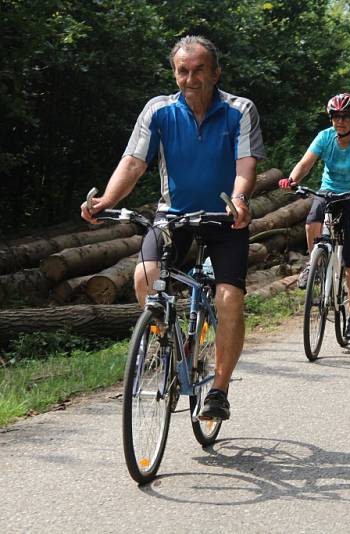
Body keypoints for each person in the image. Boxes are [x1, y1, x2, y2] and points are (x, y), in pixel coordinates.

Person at [80, 36, 265, 421]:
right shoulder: (159, 110)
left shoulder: (239, 109)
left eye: (199, 70)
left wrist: (241, 200)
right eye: (183, 70)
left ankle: (218, 390)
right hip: (174, 216)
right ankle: (173, 349)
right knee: (144, 277)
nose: (191, 78)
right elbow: (133, 162)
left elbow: (245, 162)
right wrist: (105, 202)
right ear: (174, 73)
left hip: (224, 219)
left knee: (228, 299)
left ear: (216, 72)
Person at [279, 93, 350, 340]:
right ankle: (313, 263)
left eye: (346, 117)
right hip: (328, 190)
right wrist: (293, 180)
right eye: (336, 116)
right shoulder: (325, 137)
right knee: (312, 222)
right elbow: (306, 163)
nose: (341, 121)